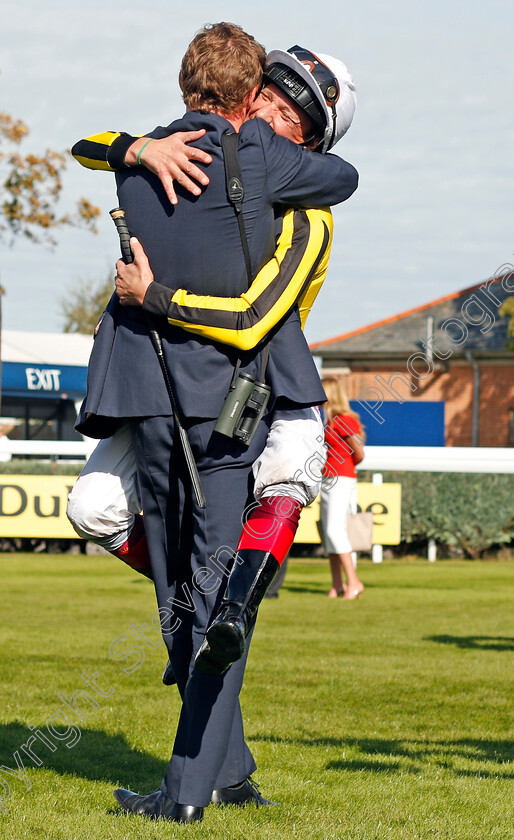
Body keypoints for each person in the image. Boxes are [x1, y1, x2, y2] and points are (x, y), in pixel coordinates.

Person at [71, 25, 358, 823]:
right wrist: (135, 148)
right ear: (245, 93)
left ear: (308, 135)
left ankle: (222, 617)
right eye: (266, 92)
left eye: (290, 111)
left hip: (270, 379)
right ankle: (218, 646)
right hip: (189, 382)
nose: (271, 110)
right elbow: (91, 144)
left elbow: (257, 316)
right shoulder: (188, 154)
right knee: (103, 514)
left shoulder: (301, 201)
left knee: (280, 494)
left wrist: (155, 298)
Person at [319, 377, 365, 599]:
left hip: (341, 478)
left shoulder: (344, 420)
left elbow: (359, 453)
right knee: (328, 532)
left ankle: (354, 582)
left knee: (335, 531)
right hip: (327, 479)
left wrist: (343, 467)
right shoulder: (326, 421)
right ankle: (337, 584)